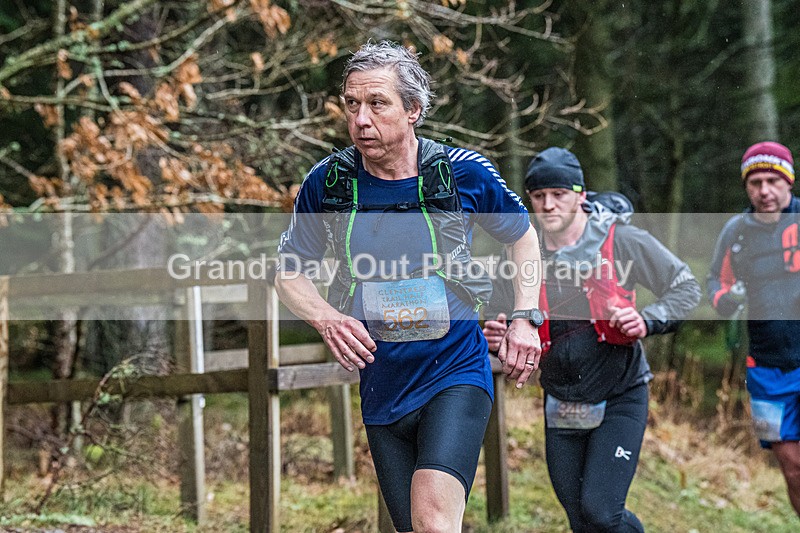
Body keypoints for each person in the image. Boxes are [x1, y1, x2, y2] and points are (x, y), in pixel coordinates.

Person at [275, 40, 542, 533]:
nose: (361, 119)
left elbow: (523, 239)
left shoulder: (461, 173)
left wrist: (526, 317)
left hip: (455, 370)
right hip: (382, 383)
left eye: (378, 104)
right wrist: (325, 316)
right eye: (352, 105)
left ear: (413, 109)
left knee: (433, 521)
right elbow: (288, 271)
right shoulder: (329, 184)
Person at [483, 147, 701, 532]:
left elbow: (686, 288)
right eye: (538, 196)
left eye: (559, 194)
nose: (548, 205)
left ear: (581, 195)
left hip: (620, 393)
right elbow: (503, 315)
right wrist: (499, 335)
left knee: (602, 512)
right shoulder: (521, 252)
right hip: (560, 398)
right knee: (581, 520)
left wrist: (647, 320)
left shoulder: (622, 240)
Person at [708, 141, 800, 517]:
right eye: (755, 182)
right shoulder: (736, 231)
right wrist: (725, 300)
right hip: (764, 366)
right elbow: (714, 281)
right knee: (792, 467)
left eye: (773, 181)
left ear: (788, 182)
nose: (764, 191)